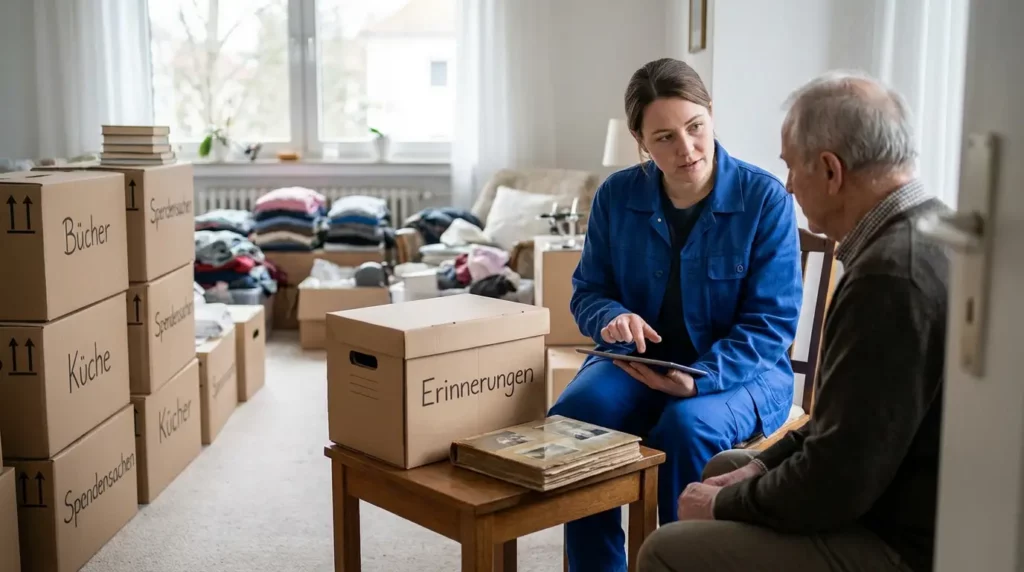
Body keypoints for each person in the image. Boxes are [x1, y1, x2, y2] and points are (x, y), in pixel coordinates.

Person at [638, 71, 950, 572]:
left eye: (791, 166)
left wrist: (720, 505)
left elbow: (836, 481)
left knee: (663, 550)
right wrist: (759, 468)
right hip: (880, 491)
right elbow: (840, 424)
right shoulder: (926, 230)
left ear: (830, 171)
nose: (787, 184)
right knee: (726, 467)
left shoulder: (889, 280)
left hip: (898, 541)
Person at [548, 57, 804, 572]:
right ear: (641, 141)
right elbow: (588, 291)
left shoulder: (764, 199)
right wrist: (611, 317)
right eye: (664, 137)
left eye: (695, 127)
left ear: (711, 114)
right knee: (572, 420)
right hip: (639, 362)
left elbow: (771, 325)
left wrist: (701, 379)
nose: (685, 149)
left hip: (742, 373)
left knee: (683, 428)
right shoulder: (616, 195)